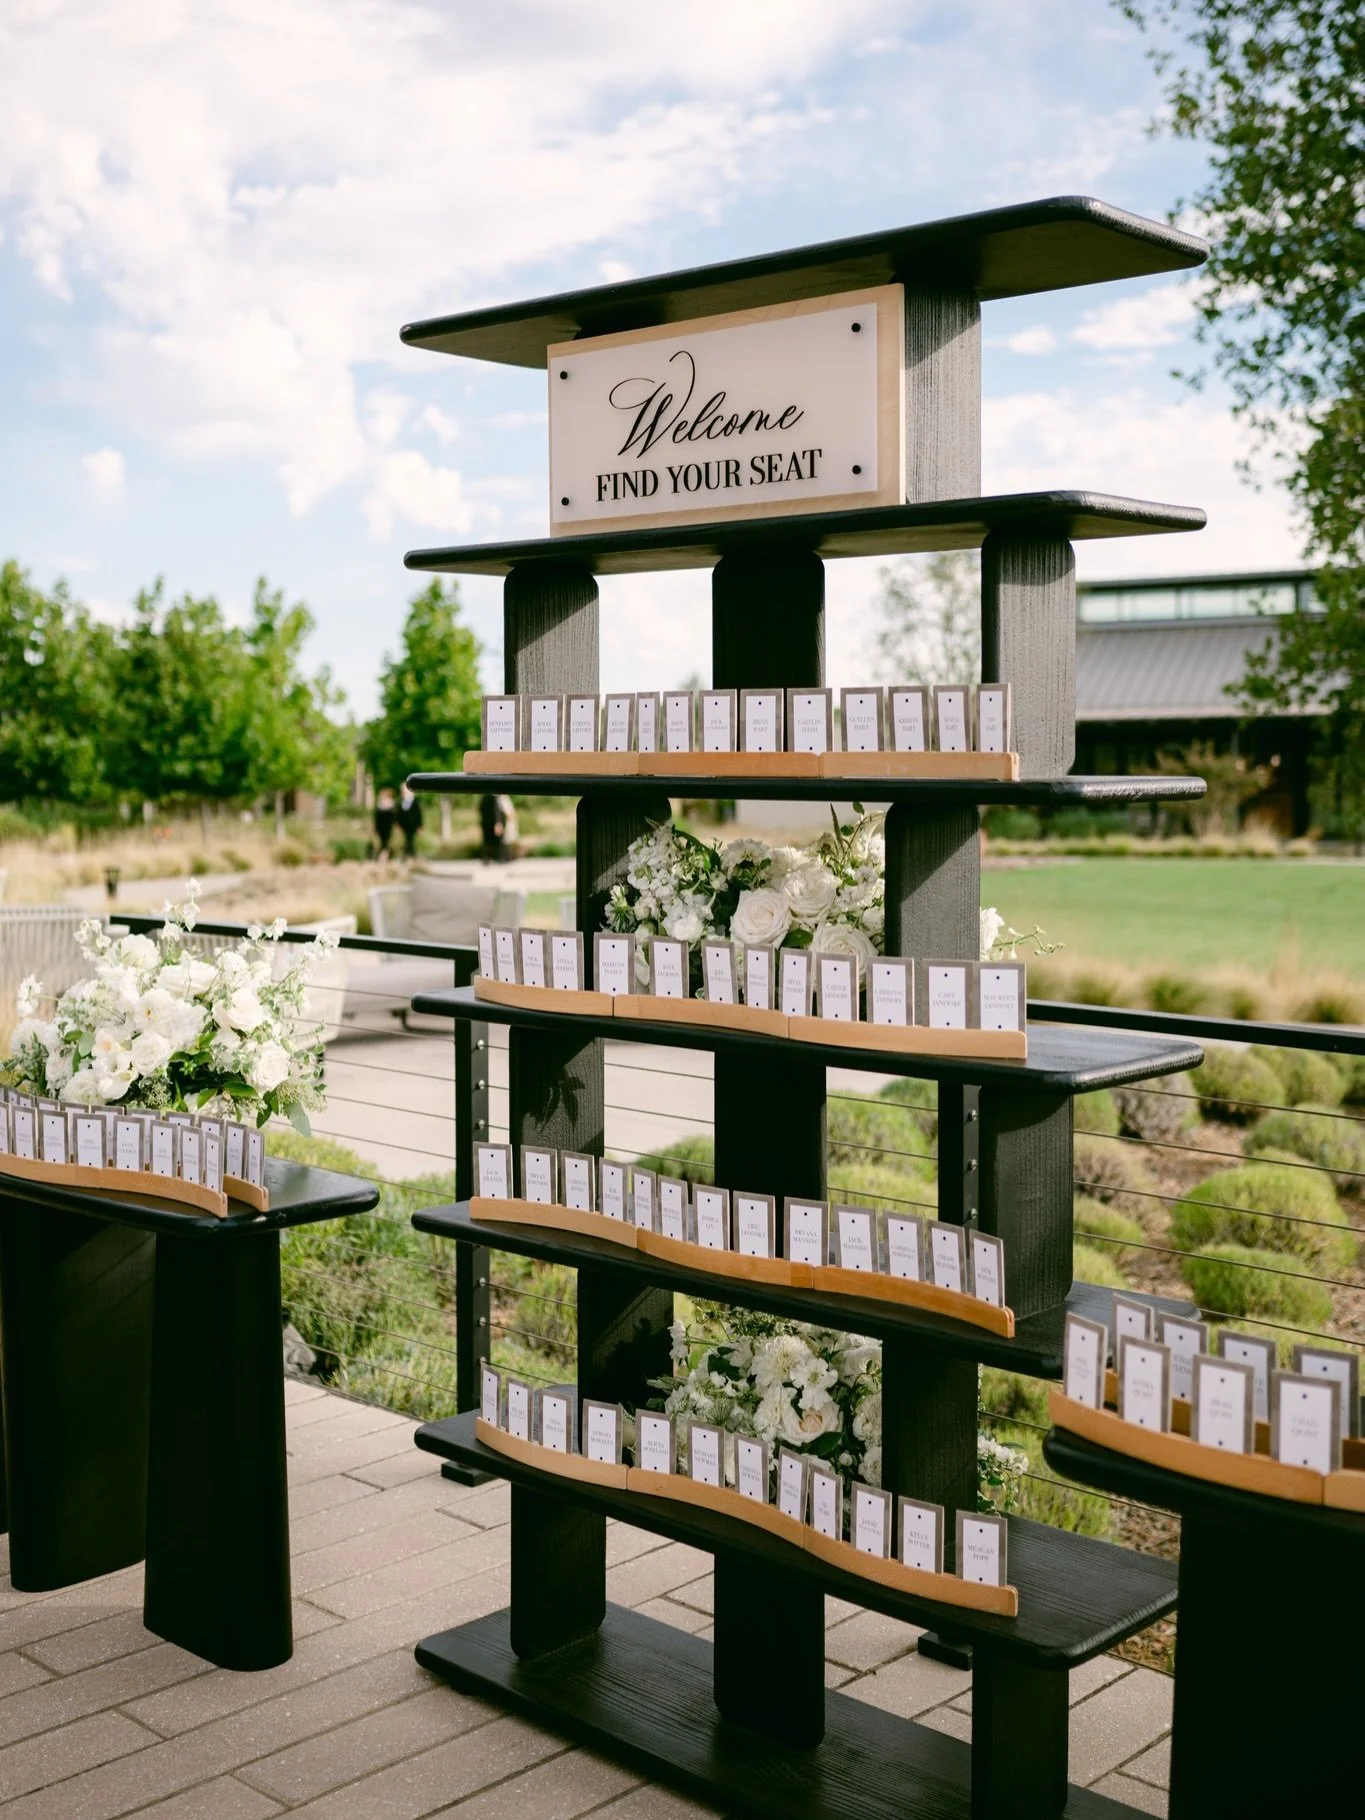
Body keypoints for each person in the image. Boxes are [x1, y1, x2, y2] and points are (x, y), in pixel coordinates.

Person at [397, 785, 423, 858]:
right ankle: (409, 855)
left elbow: (418, 815)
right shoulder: (401, 802)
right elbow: (399, 815)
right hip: (404, 825)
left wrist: (420, 826)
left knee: (410, 840)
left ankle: (410, 855)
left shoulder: (415, 802)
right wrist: (399, 825)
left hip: (413, 825)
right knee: (408, 840)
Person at [478, 793, 505, 862]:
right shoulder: (493, 799)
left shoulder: (484, 798)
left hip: (485, 823)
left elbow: (480, 809)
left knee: (486, 842)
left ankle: (487, 858)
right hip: (492, 824)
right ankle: (498, 857)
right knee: (497, 841)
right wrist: (498, 822)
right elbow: (496, 811)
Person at [373, 786, 396, 859]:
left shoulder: (391, 805)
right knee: (382, 841)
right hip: (380, 827)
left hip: (387, 827)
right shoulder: (380, 805)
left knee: (386, 842)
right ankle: (383, 855)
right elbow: (376, 817)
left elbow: (393, 818)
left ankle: (384, 856)